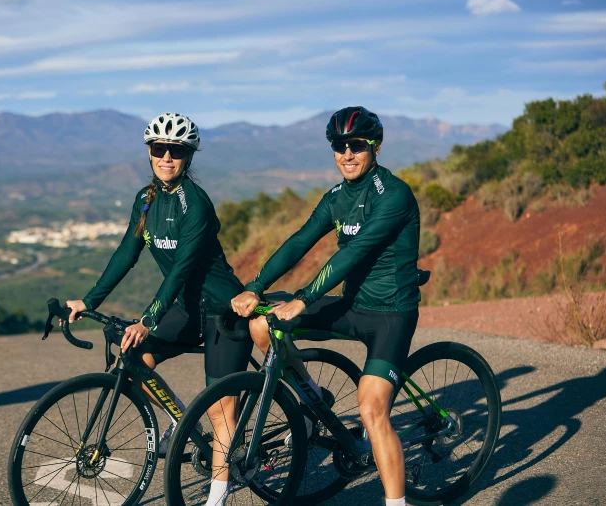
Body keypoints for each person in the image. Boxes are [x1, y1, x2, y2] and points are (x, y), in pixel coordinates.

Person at [231, 106, 420, 506]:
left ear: (376, 147)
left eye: (356, 145)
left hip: (391, 313)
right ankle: (313, 397)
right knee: (264, 325)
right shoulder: (335, 197)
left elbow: (352, 255)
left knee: (371, 409)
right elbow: (300, 242)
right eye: (338, 145)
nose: (347, 154)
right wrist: (255, 286)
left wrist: (303, 299)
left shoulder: (395, 194)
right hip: (353, 305)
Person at [63, 112, 252, 506]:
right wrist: (90, 299)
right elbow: (126, 253)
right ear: (149, 153)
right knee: (133, 364)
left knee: (221, 410)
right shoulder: (146, 200)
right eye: (158, 149)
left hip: (221, 310)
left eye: (176, 151)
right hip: (184, 306)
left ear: (188, 156)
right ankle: (184, 424)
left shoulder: (194, 204)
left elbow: (182, 268)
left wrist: (148, 318)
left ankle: (218, 496)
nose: (166, 157)